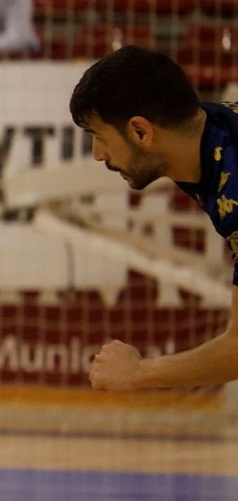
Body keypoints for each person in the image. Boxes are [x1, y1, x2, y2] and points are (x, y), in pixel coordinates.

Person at [69, 47, 238, 390]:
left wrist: (138, 373)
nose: (98, 154)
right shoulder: (208, 131)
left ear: (142, 132)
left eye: (100, 137)